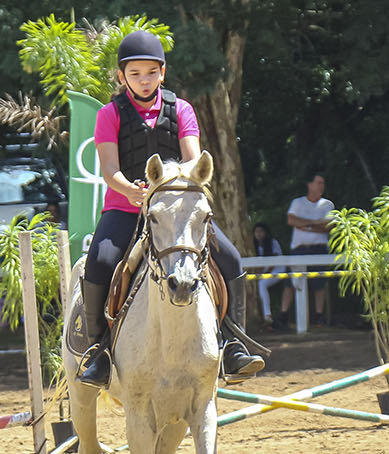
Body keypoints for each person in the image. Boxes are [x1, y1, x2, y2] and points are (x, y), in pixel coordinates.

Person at [75, 30, 263, 387]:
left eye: (151, 73)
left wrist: (179, 186)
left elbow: (193, 160)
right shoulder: (109, 114)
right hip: (126, 208)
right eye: (135, 74)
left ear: (162, 72)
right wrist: (133, 191)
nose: (144, 80)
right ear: (122, 77)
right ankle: (99, 352)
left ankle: (233, 345)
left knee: (231, 259)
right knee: (100, 262)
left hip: (176, 211)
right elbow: (110, 171)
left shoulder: (182, 110)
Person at [282, 172, 334, 325]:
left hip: (319, 249)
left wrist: (305, 225)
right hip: (299, 249)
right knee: (291, 282)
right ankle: (283, 314)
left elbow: (328, 226)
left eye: (323, 183)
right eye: (318, 183)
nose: (321, 186)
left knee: (319, 282)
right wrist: (316, 223)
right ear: (309, 185)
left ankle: (318, 315)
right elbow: (291, 220)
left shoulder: (328, 205)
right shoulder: (297, 203)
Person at [251, 222, 288, 331]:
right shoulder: (252, 245)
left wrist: (265, 273)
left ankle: (267, 315)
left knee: (262, 284)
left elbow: (275, 261)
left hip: (277, 269)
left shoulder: (273, 243)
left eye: (261, 231)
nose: (258, 234)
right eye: (256, 232)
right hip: (262, 272)